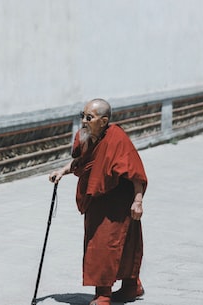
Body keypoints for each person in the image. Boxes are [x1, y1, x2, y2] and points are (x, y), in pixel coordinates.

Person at [49, 98, 147, 305]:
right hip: (97, 200)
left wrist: (137, 201)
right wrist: (62, 171)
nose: (84, 121)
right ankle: (132, 286)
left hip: (118, 202)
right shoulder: (86, 137)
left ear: (103, 121)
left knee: (110, 245)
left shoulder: (117, 138)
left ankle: (105, 294)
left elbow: (135, 171)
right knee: (100, 244)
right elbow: (81, 161)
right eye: (82, 116)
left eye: (89, 117)